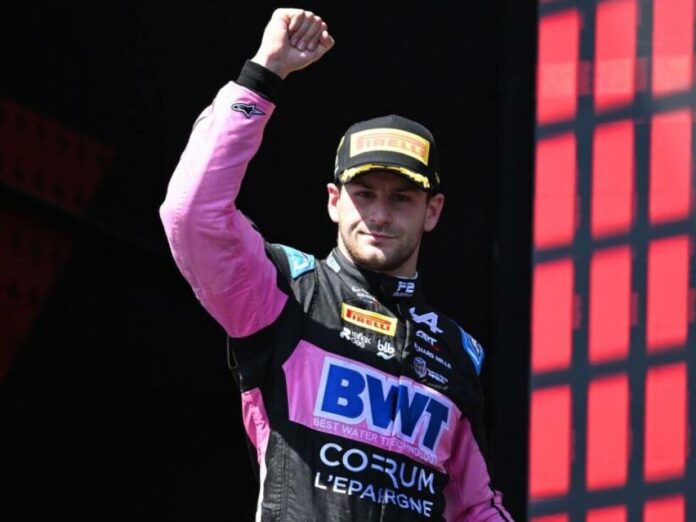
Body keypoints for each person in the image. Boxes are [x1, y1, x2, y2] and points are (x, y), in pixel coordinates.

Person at [159, 8, 512, 521]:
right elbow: (192, 216)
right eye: (364, 194)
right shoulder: (283, 291)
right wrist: (263, 73)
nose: (379, 215)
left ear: (432, 211)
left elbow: (475, 507)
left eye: (401, 199)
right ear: (333, 201)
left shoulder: (459, 353)